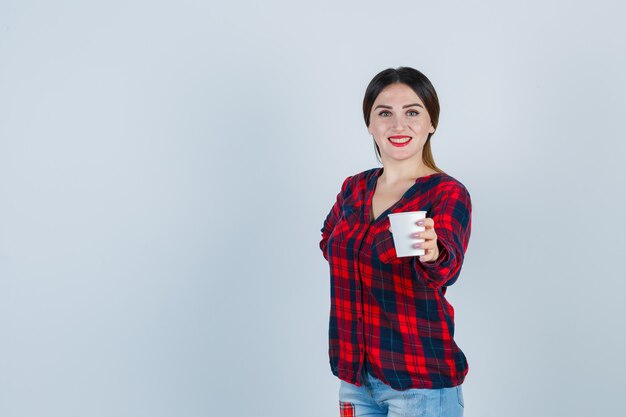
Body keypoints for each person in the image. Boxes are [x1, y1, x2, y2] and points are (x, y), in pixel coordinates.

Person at [319, 67, 472, 417]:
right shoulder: (354, 188)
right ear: (370, 124)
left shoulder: (447, 192)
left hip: (419, 384)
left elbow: (445, 268)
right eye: (385, 113)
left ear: (431, 122)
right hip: (355, 379)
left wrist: (432, 253)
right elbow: (329, 241)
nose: (398, 125)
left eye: (412, 113)